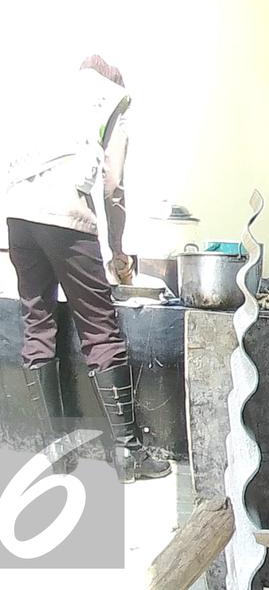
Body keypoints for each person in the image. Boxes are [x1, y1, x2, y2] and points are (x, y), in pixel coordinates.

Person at [6, 55, 171, 482]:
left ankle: (55, 457)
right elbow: (112, 185)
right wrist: (117, 248)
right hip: (64, 217)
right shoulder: (114, 100)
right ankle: (129, 454)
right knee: (100, 327)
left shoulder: (48, 95)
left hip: (18, 216)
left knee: (37, 324)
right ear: (112, 79)